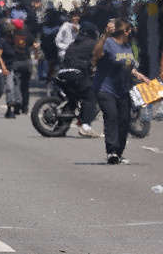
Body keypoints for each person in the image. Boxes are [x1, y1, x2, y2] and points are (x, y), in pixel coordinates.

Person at [92, 19, 149, 164]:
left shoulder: (128, 46)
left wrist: (143, 78)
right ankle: (111, 151)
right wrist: (104, 36)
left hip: (123, 89)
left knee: (124, 120)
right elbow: (96, 54)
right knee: (111, 117)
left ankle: (119, 152)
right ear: (125, 31)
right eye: (130, 30)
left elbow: (129, 66)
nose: (131, 33)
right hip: (105, 89)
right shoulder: (109, 43)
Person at [59, 21, 101, 137]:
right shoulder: (92, 43)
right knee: (91, 94)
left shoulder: (73, 44)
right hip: (76, 74)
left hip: (62, 73)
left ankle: (60, 125)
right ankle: (85, 126)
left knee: (74, 96)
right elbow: (100, 56)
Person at [10, 18, 37, 114]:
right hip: (27, 61)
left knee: (16, 84)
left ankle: (18, 101)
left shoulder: (12, 35)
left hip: (16, 61)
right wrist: (35, 55)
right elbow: (35, 45)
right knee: (25, 86)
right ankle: (25, 107)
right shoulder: (28, 34)